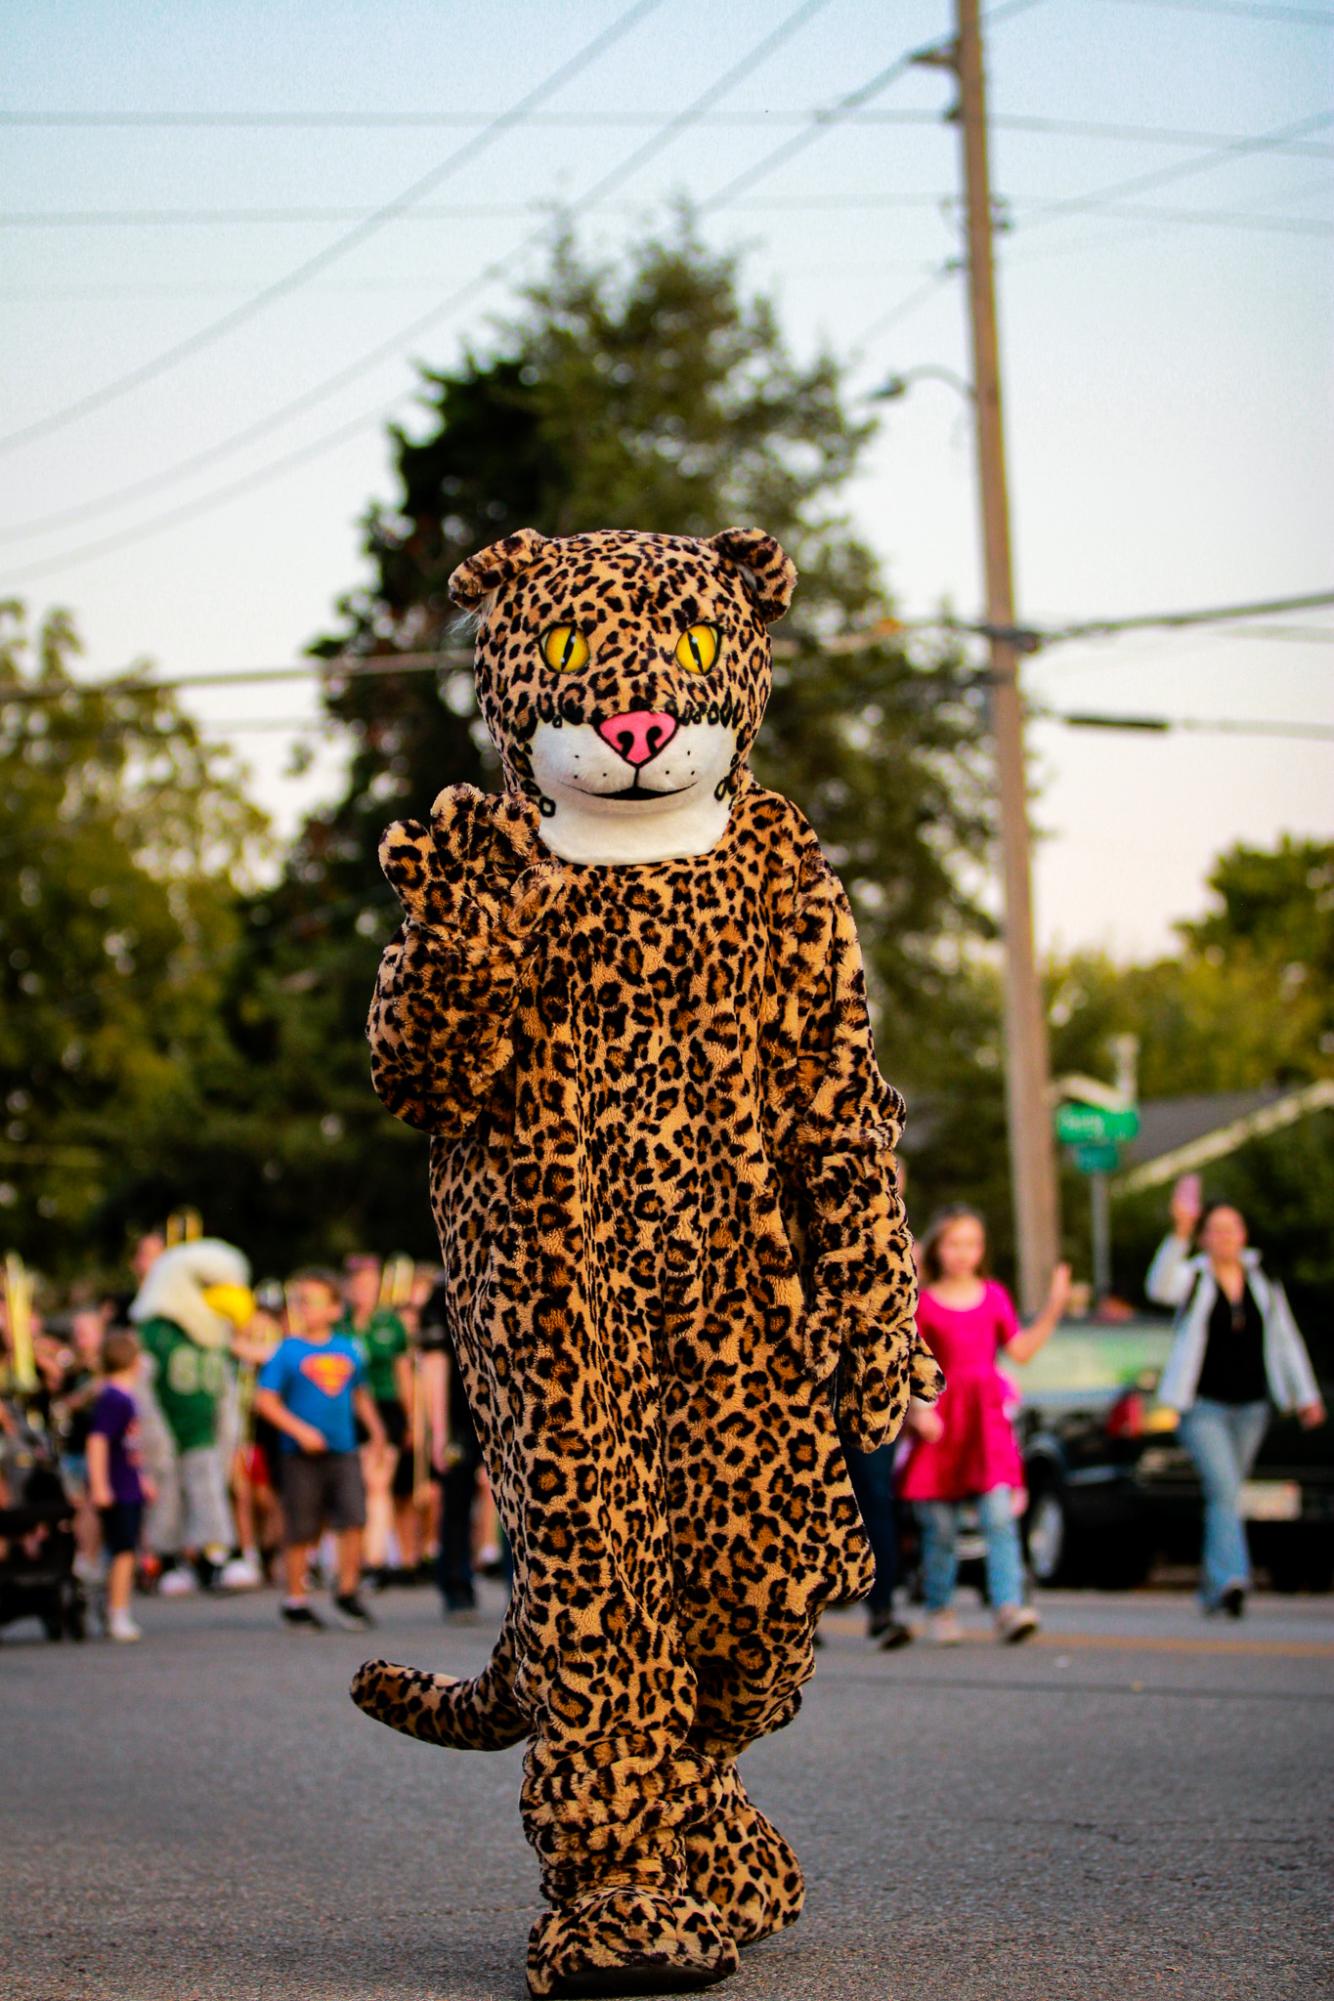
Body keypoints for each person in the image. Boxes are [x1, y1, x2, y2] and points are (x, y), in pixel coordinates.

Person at [1146, 1185, 1325, 1617]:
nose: (1226, 1237)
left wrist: (1306, 1395)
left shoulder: (1263, 1282)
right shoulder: (1194, 1277)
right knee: (1226, 1490)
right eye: (1216, 1230)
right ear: (1205, 1237)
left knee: (1224, 1495)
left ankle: (1212, 1587)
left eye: (1233, 1229)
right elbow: (1159, 1286)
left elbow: (1286, 1343)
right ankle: (1233, 1579)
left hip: (1252, 1407)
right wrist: (1180, 1232)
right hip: (1203, 1406)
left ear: (1244, 1234)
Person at [901, 1205, 1071, 1644]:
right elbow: (910, 1361)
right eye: (954, 1243)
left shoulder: (995, 1295)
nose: (962, 1253)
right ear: (939, 1247)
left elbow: (1020, 1351)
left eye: (972, 1244)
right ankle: (939, 1607)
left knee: (999, 1518)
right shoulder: (924, 1301)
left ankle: (1009, 1606)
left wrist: (1053, 1308)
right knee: (939, 1527)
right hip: (942, 1419)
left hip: (987, 1420)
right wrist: (919, 1411)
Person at [254, 1269, 387, 1632]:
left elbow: (359, 1394)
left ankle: (347, 1590)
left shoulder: (347, 1349)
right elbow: (265, 1401)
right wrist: (299, 1429)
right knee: (301, 1525)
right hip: (300, 1454)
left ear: (333, 1308)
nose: (303, 1308)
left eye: (311, 1301)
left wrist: (376, 1432)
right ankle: (295, 1599)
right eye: (299, 1301)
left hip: (342, 1449)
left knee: (354, 1518)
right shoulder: (287, 1350)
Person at [339, 1257, 416, 1582]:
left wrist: (411, 1420)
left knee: (377, 1484)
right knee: (356, 1487)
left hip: (385, 1408)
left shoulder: (390, 1324)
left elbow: (403, 1374)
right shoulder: (337, 1324)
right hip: (346, 1410)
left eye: (369, 1285)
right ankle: (355, 1559)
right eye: (357, 1284)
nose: (362, 1291)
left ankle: (375, 1559)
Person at [86, 1330, 155, 1643]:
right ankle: (117, 1612)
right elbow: (98, 1440)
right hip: (117, 1488)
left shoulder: (124, 1397)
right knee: (123, 1553)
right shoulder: (114, 1398)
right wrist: (100, 1485)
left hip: (129, 1484)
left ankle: (112, 1607)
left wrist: (142, 1479)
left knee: (125, 1550)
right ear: (132, 1361)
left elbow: (129, 1447)